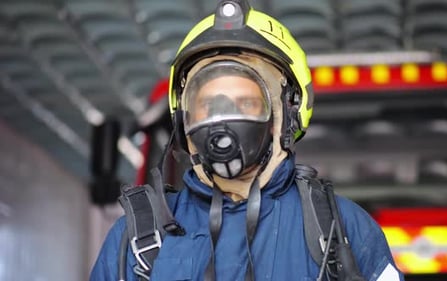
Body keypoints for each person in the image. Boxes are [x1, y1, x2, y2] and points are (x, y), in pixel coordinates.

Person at [90, 0, 405, 280]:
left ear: (284, 114)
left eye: (246, 104)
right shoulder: (132, 241)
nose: (225, 122)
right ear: (183, 119)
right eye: (210, 106)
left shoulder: (342, 229)